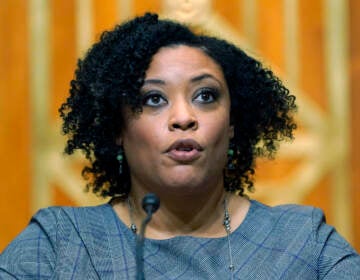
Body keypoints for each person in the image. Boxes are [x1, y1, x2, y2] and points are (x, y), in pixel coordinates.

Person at [1, 13, 359, 279]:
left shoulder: (303, 245)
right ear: (117, 129)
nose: (184, 117)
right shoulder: (60, 244)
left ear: (233, 124)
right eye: (154, 99)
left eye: (206, 96)